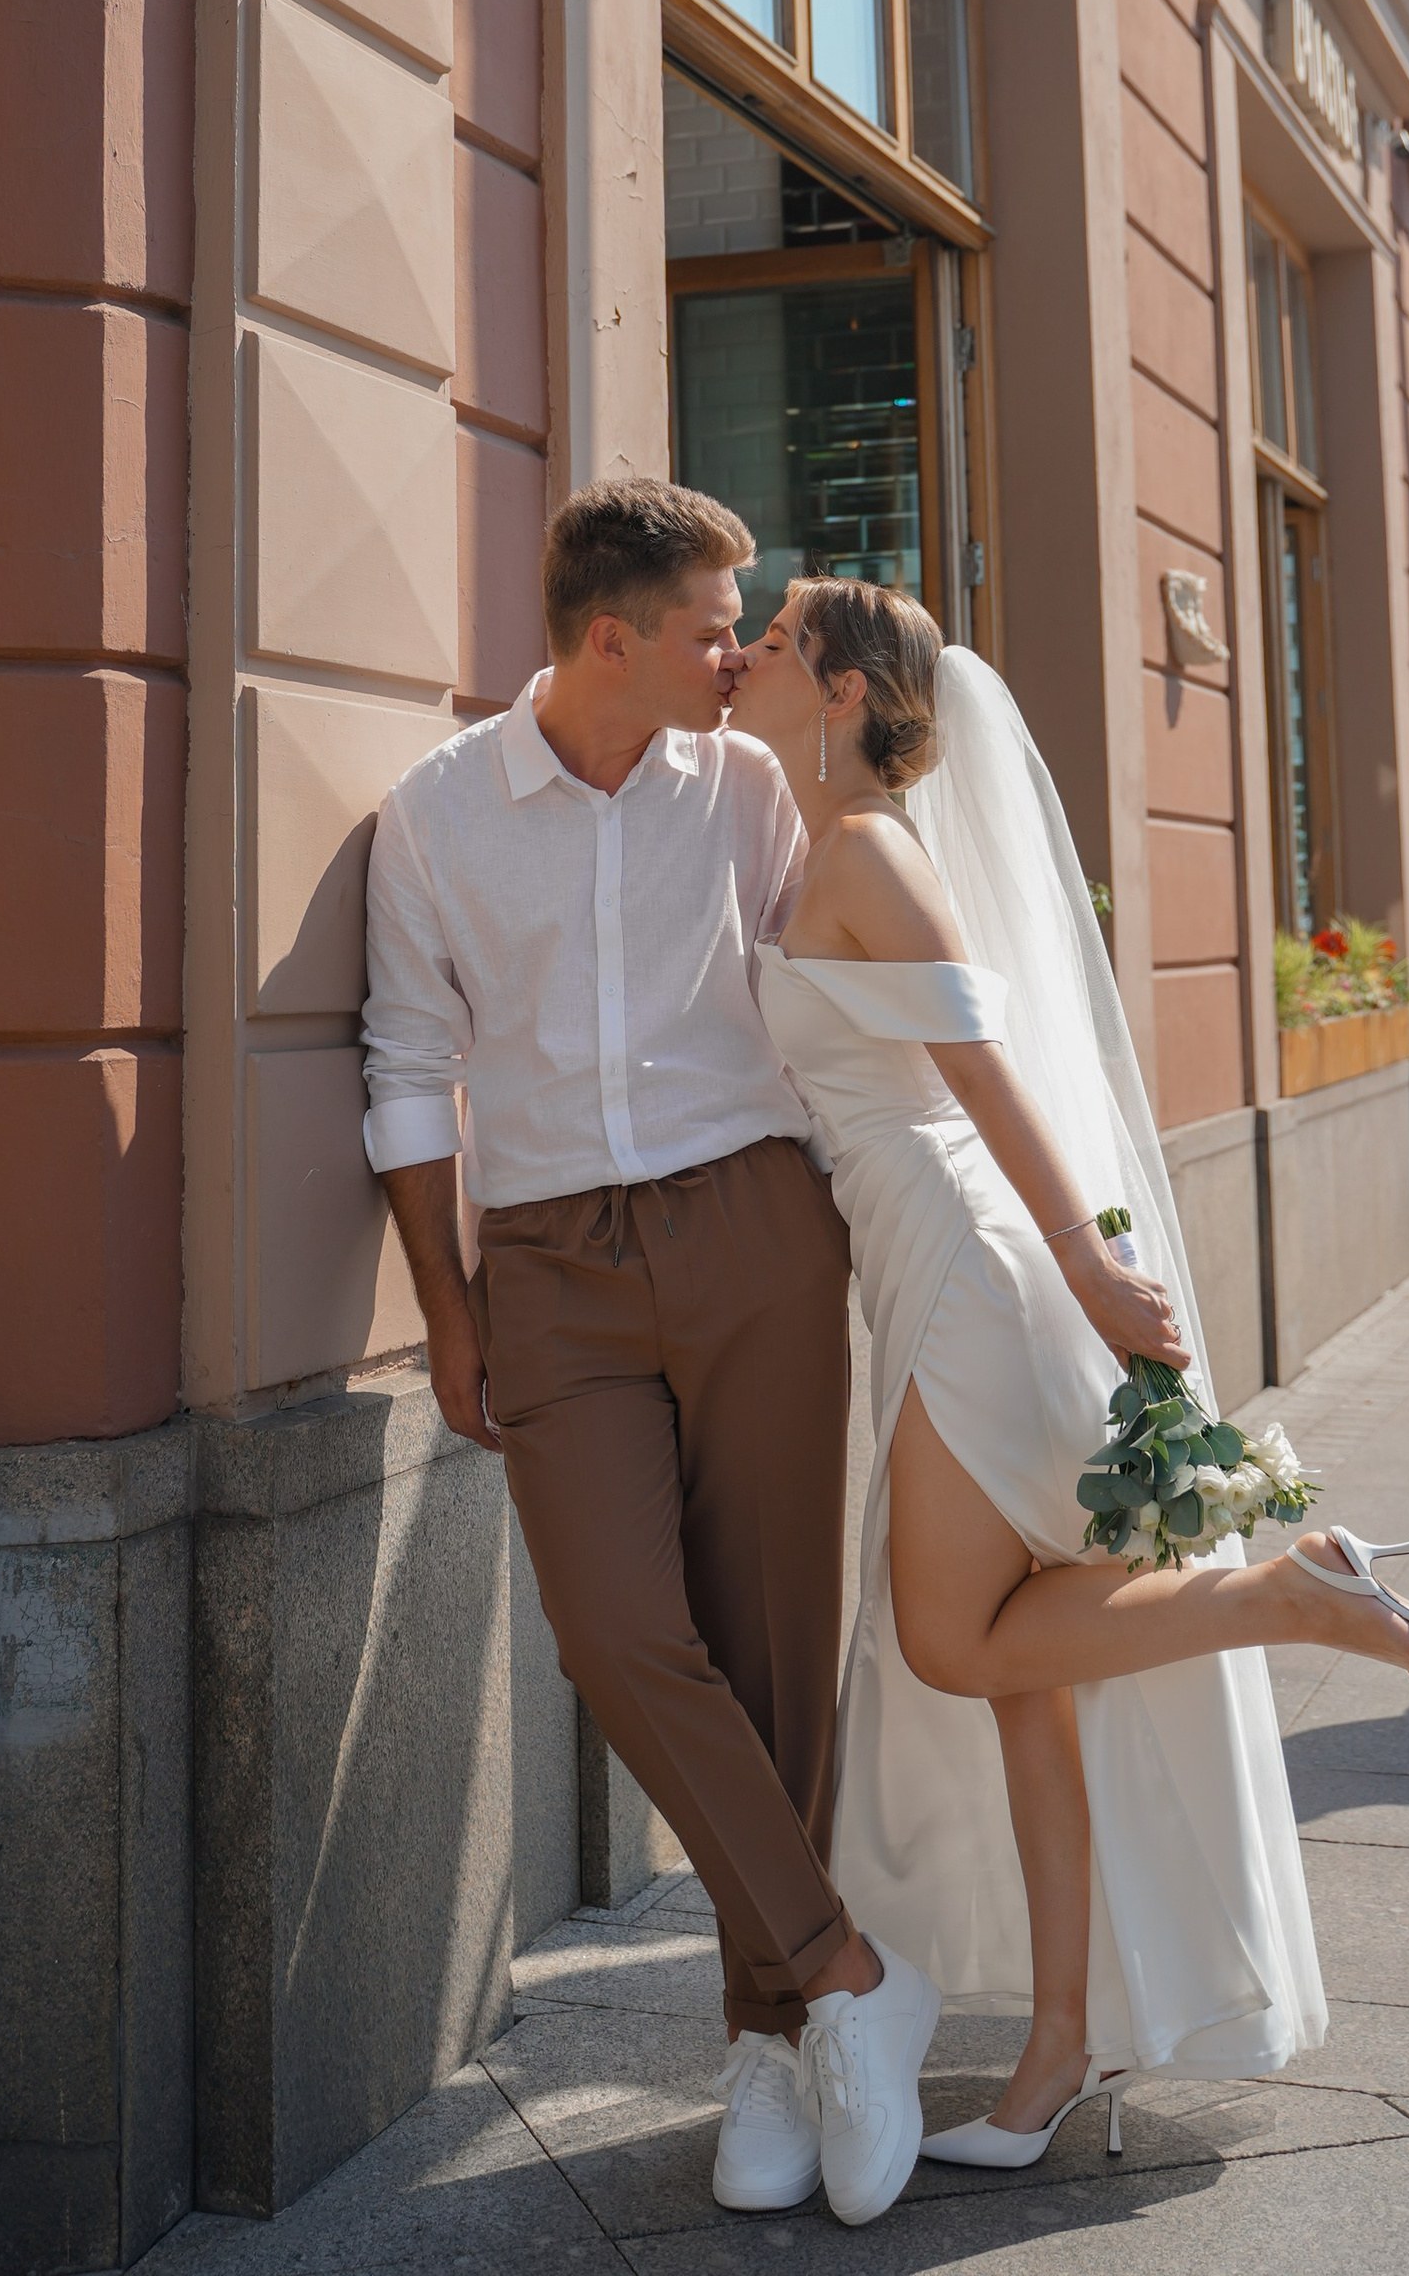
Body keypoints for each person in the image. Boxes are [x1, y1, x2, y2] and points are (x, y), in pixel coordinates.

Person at [731, 581, 1409, 2174]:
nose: (745, 656)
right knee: (1024, 1679)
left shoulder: (864, 853)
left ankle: (1296, 1597)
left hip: (965, 1274)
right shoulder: (827, 841)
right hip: (934, 1264)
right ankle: (1055, 2052)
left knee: (948, 1638)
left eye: (773, 641)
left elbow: (985, 1074)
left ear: (840, 692)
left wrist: (1085, 1267)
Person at [360, 481, 939, 2230]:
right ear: (608, 637)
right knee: (615, 1630)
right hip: (551, 1267)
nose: (737, 653)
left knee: (771, 1642)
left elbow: (841, 996)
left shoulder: (750, 785)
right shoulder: (439, 815)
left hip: (755, 1222)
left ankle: (769, 2041)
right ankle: (842, 1970)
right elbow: (406, 1065)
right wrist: (448, 1310)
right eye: (712, 626)